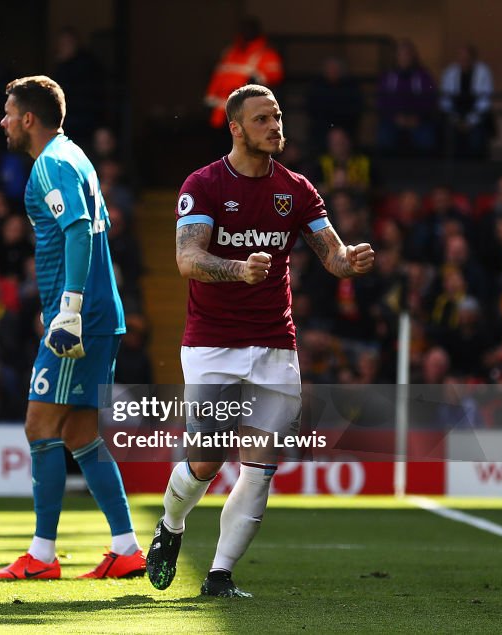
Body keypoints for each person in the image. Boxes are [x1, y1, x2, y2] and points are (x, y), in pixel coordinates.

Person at [145, 84, 374, 597]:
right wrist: (237, 270)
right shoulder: (202, 185)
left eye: (277, 117)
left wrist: (350, 259)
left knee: (261, 466)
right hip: (212, 343)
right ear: (235, 127)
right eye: (263, 119)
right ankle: (172, 525)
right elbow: (187, 260)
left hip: (276, 344)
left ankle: (220, 574)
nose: (275, 126)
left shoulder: (297, 189)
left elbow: (331, 255)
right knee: (207, 460)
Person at [0, 75, 143, 580]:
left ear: (29, 118)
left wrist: (67, 309)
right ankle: (126, 548)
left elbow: (77, 230)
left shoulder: (51, 164)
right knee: (79, 432)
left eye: (9, 113)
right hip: (97, 314)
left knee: (40, 426)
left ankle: (42, 556)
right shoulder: (73, 155)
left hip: (82, 319)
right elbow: (88, 230)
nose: (3, 121)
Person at [204, 17, 283, 129]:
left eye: (249, 29)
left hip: (247, 115)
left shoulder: (267, 54)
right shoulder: (230, 53)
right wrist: (209, 100)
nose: (246, 32)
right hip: (221, 116)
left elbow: (274, 78)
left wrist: (253, 84)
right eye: (243, 29)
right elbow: (218, 77)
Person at [439, 44, 495, 159]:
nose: (464, 61)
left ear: (473, 58)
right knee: (450, 136)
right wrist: (456, 120)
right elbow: (445, 101)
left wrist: (470, 121)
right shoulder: (450, 72)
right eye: (461, 58)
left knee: (476, 139)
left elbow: (485, 100)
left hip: (477, 114)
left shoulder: (483, 71)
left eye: (467, 58)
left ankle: (477, 171)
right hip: (455, 114)